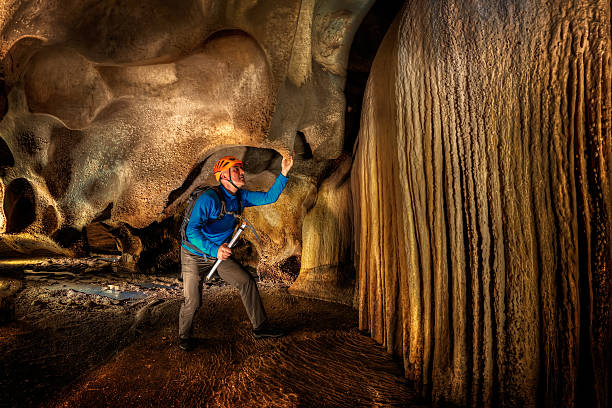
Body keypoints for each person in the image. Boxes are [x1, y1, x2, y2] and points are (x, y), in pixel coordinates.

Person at [178, 153, 294, 351]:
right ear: (223, 177)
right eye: (236, 170)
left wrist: (283, 172)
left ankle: (260, 327)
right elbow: (191, 232)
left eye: (241, 169)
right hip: (194, 254)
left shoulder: (241, 197)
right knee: (194, 301)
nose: (242, 172)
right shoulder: (209, 199)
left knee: (246, 281)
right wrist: (215, 249)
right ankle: (184, 336)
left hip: (220, 254)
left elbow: (269, 197)